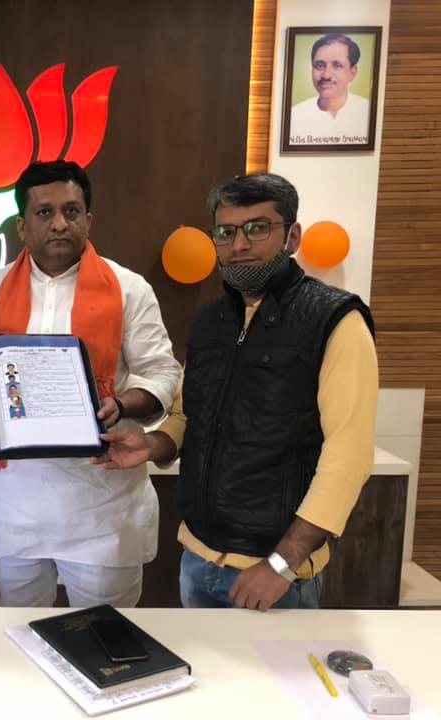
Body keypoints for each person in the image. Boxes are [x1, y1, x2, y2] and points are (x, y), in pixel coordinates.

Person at [97, 173, 377, 611]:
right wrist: (152, 445)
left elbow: (350, 453)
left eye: (257, 228)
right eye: (226, 232)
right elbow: (188, 416)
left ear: (292, 236)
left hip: (276, 575)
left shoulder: (334, 320)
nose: (239, 244)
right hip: (197, 559)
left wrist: (282, 564)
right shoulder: (210, 322)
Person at [0, 160, 181, 608]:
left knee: (103, 634)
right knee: (19, 628)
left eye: (71, 211)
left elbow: (162, 373)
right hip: (12, 500)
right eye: (45, 212)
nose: (60, 223)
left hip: (101, 502)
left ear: (88, 220)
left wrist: (120, 404)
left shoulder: (129, 288)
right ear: (22, 226)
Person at [289, 33, 371, 145]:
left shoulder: (367, 112)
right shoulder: (295, 115)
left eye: (337, 65)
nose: (326, 75)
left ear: (352, 72)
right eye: (320, 65)